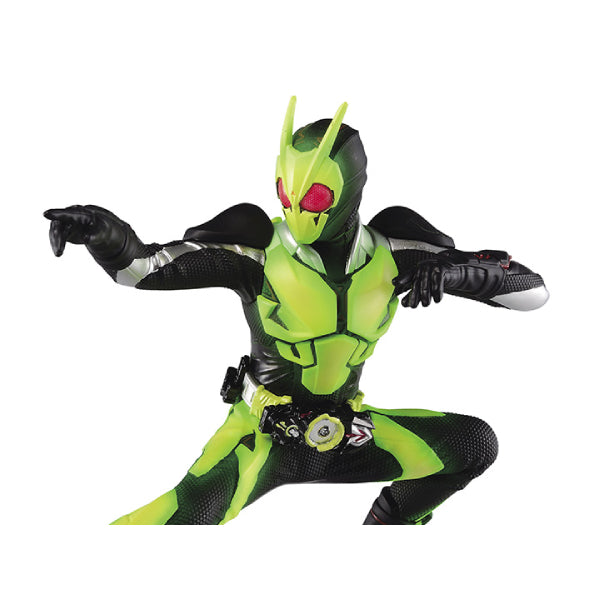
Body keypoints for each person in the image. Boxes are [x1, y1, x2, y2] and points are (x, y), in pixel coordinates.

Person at [44, 97, 548, 525]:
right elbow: (145, 269)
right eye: (287, 194)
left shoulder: (398, 252)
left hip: (349, 432)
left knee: (474, 445)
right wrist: (105, 234)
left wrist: (456, 273)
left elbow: (533, 291)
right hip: (261, 439)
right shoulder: (257, 250)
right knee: (180, 519)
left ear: (349, 189)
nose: (298, 209)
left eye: (317, 195)